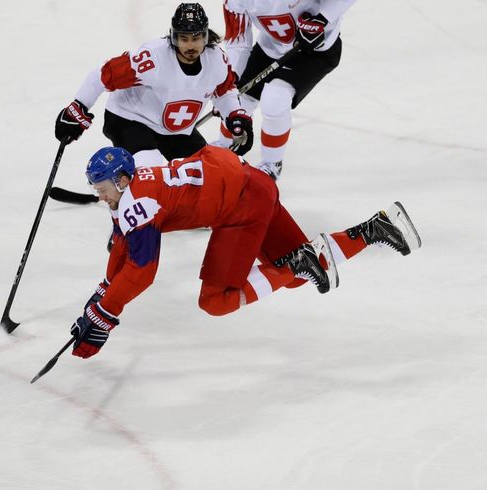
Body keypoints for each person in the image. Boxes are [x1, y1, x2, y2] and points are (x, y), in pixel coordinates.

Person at [69, 145, 421, 359]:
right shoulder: (131, 187)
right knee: (297, 277)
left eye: (101, 187)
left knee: (216, 300)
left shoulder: (137, 201)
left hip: (241, 205)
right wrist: (103, 290)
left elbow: (142, 270)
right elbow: (123, 244)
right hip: (252, 182)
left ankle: (302, 260)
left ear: (121, 181)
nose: (98, 194)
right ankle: (377, 229)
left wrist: (105, 314)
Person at [54, 2, 254, 170]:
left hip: (175, 131)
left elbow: (224, 91)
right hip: (129, 119)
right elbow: (103, 74)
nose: (190, 46)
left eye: (196, 38)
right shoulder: (153, 59)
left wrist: (235, 114)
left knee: (205, 171)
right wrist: (78, 108)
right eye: (184, 39)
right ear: (174, 36)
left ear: (205, 36)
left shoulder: (217, 59)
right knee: (152, 170)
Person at [215, 0, 357, 179]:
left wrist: (322, 18)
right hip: (271, 47)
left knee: (275, 99)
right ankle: (223, 153)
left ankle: (271, 165)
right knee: (238, 101)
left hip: (315, 51)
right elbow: (238, 42)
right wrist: (232, 85)